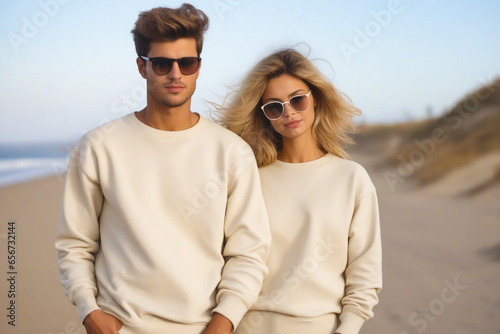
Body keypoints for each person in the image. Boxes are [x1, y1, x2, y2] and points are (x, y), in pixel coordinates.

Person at [55, 4, 271, 334]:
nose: (175, 74)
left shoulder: (231, 152)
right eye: (161, 63)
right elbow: (75, 244)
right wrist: (89, 311)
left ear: (198, 67)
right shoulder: (99, 146)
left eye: (186, 63)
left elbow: (249, 253)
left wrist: (222, 323)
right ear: (142, 66)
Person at [215, 48, 382, 334]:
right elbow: (228, 259)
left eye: (297, 99)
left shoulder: (351, 179)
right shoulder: (250, 178)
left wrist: (348, 329)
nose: (288, 112)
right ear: (264, 114)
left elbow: (365, 273)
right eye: (275, 106)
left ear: (314, 98)